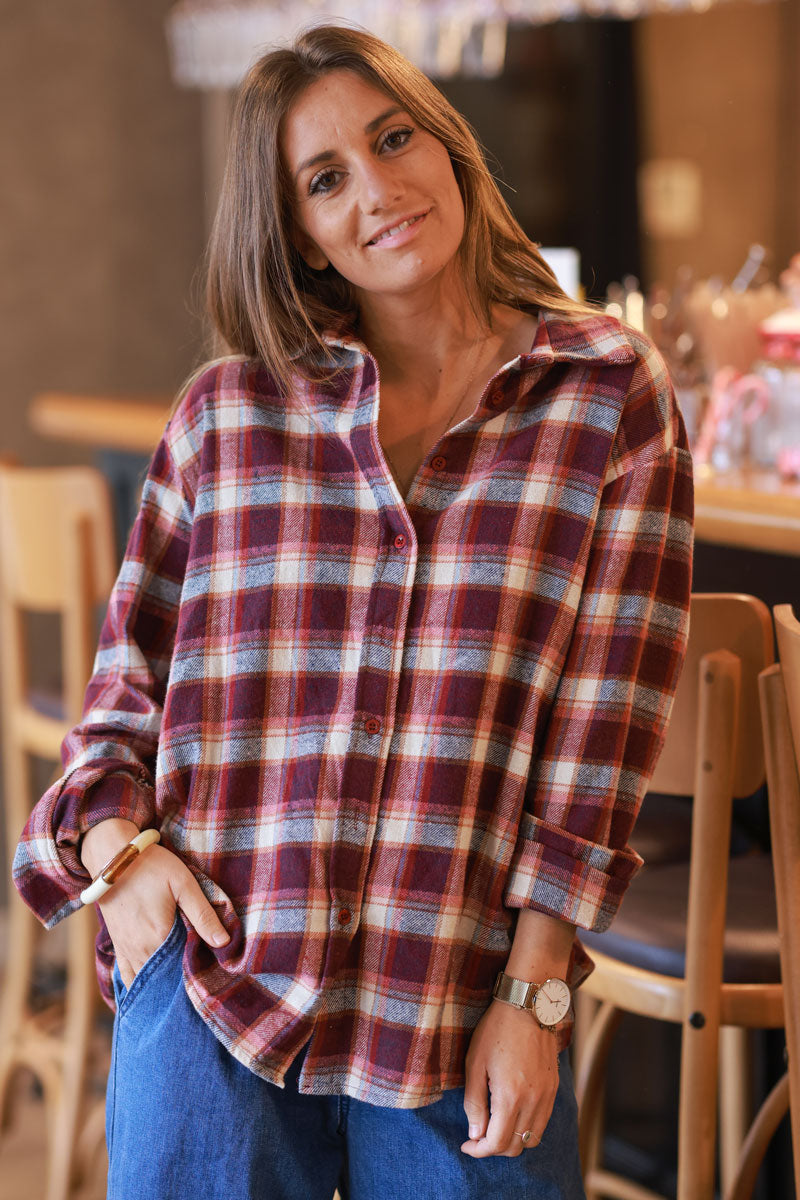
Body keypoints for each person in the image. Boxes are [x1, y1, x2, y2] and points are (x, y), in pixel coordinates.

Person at [13, 23, 693, 1200]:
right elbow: (125, 682)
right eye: (324, 180)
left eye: (392, 140)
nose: (377, 191)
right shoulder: (227, 415)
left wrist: (534, 994)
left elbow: (600, 739)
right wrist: (117, 859)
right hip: (216, 976)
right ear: (298, 234)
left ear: (449, 147)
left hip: (460, 994)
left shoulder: (607, 399)